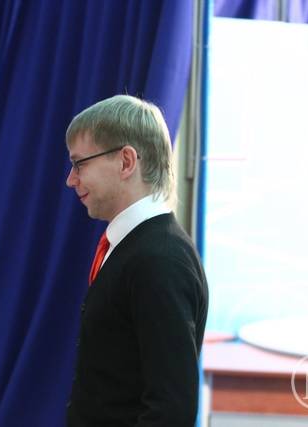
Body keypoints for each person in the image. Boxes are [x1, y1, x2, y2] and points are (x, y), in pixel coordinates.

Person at [64, 95, 209, 426]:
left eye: (80, 163)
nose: (71, 179)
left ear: (126, 161)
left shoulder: (160, 259)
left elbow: (171, 410)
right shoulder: (137, 247)